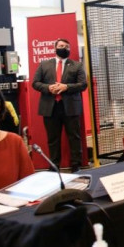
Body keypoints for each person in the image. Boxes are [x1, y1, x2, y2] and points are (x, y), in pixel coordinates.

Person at [32, 38, 87, 172]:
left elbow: (83, 84)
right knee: (53, 138)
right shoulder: (44, 64)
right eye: (61, 46)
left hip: (70, 106)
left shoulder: (77, 65)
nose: (65, 48)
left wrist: (66, 87)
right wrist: (48, 88)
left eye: (67, 46)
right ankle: (54, 165)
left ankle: (76, 165)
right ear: (55, 48)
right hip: (50, 107)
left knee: (74, 137)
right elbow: (35, 83)